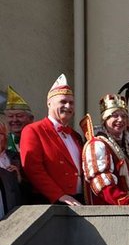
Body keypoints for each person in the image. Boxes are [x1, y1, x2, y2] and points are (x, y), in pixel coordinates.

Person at [20, 74, 84, 205]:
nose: (68, 106)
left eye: (71, 102)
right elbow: (33, 169)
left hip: (78, 199)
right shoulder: (33, 130)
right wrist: (59, 195)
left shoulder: (76, 135)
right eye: (63, 102)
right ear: (49, 103)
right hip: (50, 201)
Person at [0, 121, 23, 217]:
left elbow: (27, 188)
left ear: (4, 136)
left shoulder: (15, 157)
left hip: (14, 212)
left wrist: (18, 177)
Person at [3, 85, 34, 156]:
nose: (15, 120)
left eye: (19, 116)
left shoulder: (40, 139)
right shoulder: (2, 142)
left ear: (31, 118)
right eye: (10, 116)